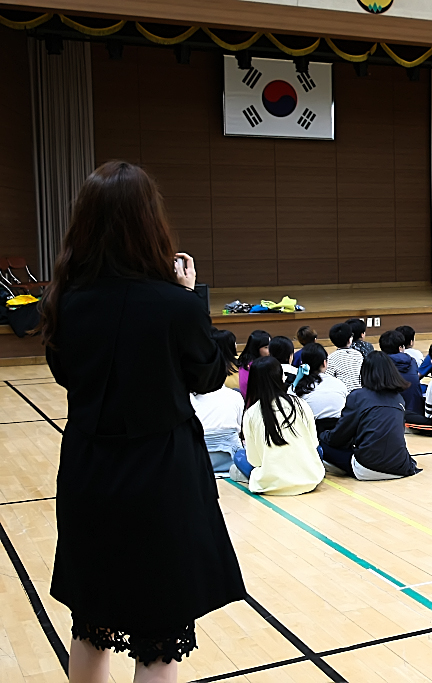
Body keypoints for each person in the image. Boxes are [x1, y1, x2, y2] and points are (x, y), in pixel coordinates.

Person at [38, 161, 244, 680]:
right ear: (150, 223)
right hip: (162, 476)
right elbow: (206, 376)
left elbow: (66, 373)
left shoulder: (65, 301)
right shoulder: (174, 306)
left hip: (88, 469)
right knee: (157, 639)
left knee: (90, 623)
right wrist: (191, 295)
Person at [319, 352, 421, 479]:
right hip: (401, 467)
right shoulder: (398, 398)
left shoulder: (358, 396)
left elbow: (339, 437)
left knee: (321, 445)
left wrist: (322, 435)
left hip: (368, 467)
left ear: (364, 372)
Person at [233, 357, 325, 496]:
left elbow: (255, 460)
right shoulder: (300, 403)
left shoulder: (251, 413)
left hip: (271, 484)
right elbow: (314, 444)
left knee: (239, 456)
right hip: (310, 479)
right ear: (281, 377)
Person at [191, 329, 246, 474]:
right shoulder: (235, 396)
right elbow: (241, 429)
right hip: (232, 461)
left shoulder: (187, 398)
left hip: (197, 462)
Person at [291, 343, 349, 433]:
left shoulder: (297, 388)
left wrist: (295, 383)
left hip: (309, 437)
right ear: (324, 363)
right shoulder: (339, 384)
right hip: (339, 436)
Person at [379, 329, 424, 416]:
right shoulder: (412, 361)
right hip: (416, 411)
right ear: (400, 348)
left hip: (392, 413)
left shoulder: (381, 363)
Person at [326, 322, 363, 393]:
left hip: (342, 393)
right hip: (359, 392)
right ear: (350, 340)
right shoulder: (358, 355)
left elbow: (329, 378)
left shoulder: (331, 358)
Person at [237, 329, 270, 398]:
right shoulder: (257, 365)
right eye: (266, 347)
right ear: (256, 348)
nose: (270, 350)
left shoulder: (246, 360)